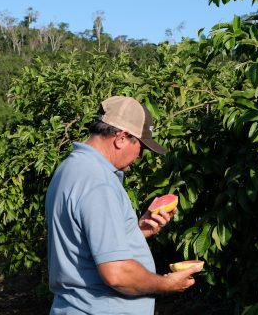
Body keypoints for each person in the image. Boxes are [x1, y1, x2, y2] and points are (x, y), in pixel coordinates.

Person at [45, 96, 202, 314]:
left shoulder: (70, 169)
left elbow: (87, 244)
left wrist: (137, 232)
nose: (140, 156)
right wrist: (167, 284)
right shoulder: (99, 182)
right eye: (141, 147)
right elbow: (117, 274)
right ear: (121, 137)